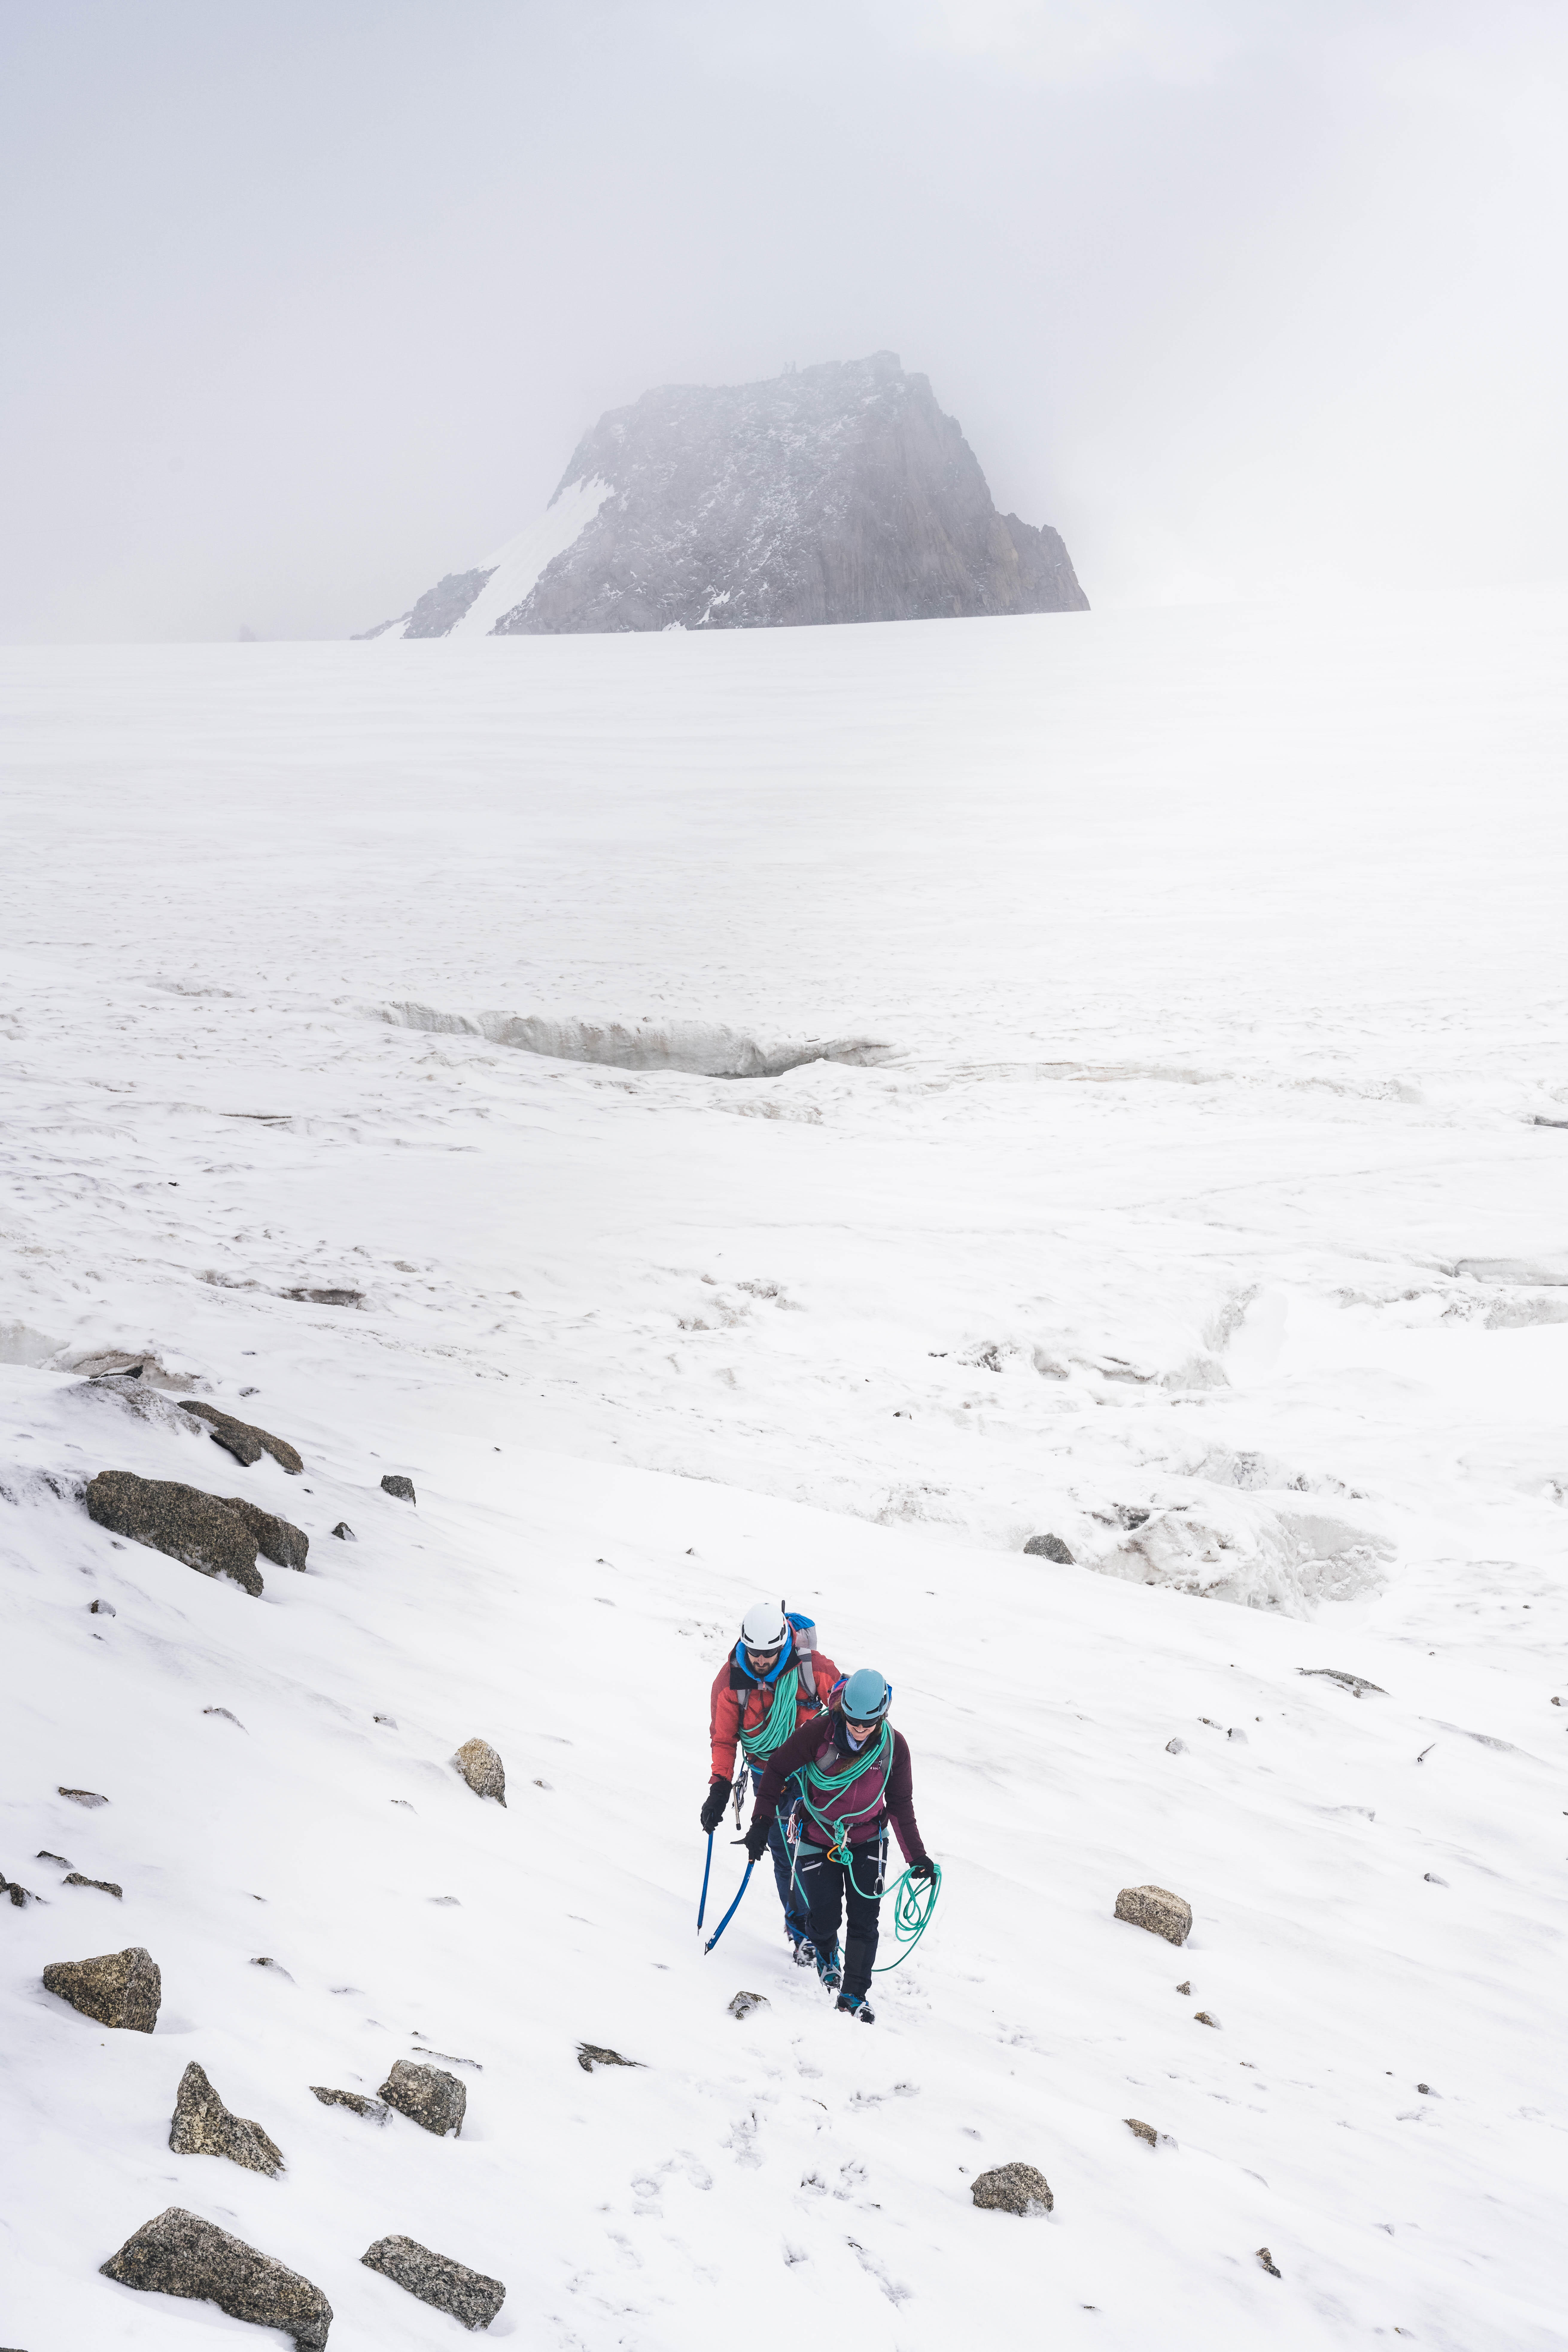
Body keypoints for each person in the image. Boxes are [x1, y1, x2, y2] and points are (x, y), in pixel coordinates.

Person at [744, 1666, 934, 2023]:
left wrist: (917, 1857)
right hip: (818, 1835)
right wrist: (761, 1823)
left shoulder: (895, 1748)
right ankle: (826, 1951)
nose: (859, 1729)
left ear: (883, 1715)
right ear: (842, 1709)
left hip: (868, 1838)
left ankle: (853, 1996)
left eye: (868, 1723)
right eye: (853, 1721)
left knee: (865, 1921)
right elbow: (776, 1771)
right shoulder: (818, 1733)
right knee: (826, 1915)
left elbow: (900, 1803)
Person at [704, 1600, 839, 1963]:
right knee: (785, 1856)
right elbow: (724, 1739)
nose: (762, 1661)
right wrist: (720, 1787)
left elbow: (844, 1706)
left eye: (769, 1653)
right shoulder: (730, 1682)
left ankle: (824, 1932)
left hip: (813, 1777)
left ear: (783, 1644)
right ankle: (802, 1934)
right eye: (755, 1653)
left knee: (817, 1854)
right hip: (770, 1780)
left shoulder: (813, 1669)